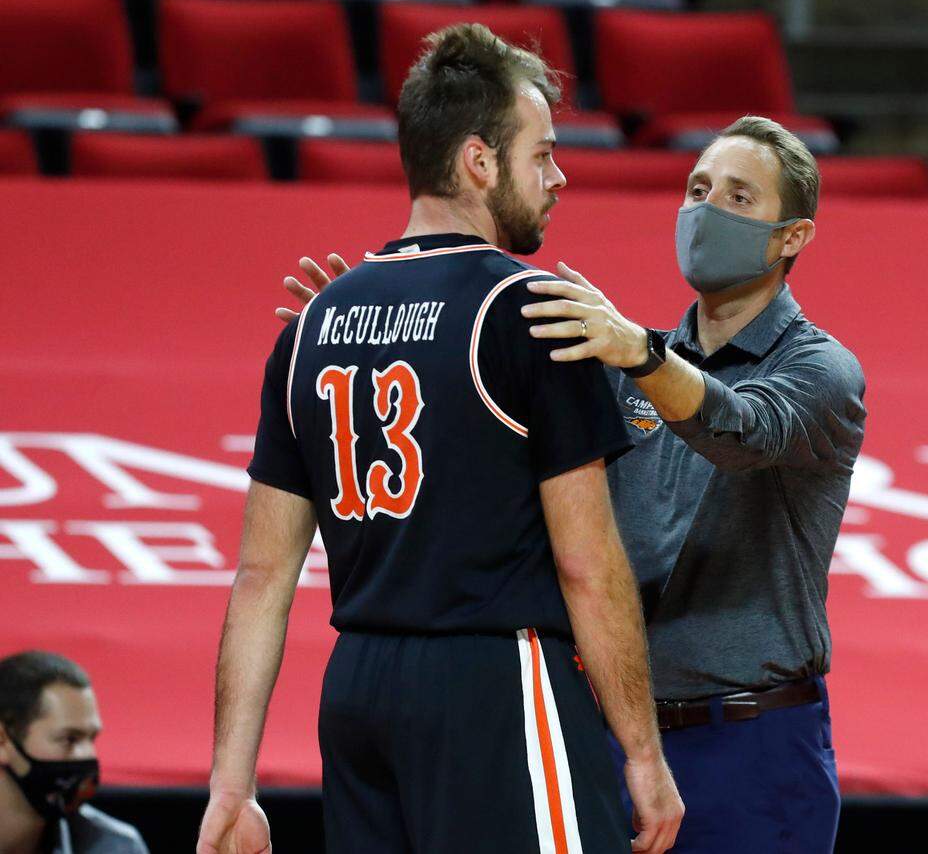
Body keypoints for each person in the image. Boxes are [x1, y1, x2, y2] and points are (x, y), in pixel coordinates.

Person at [285, 115, 865, 852]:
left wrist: (640, 357)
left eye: (740, 198)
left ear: (793, 236)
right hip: (613, 729)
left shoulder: (820, 370)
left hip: (751, 740)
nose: (707, 210)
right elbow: (481, 431)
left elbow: (742, 433)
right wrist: (381, 325)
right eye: (698, 189)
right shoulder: (626, 362)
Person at [197, 24, 682, 854]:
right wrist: (642, 752)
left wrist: (231, 787)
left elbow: (261, 574)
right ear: (478, 162)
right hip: (493, 680)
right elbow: (587, 563)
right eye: (542, 155)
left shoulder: (313, 323)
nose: (558, 177)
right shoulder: (531, 312)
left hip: (358, 693)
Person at [0, 651, 149, 854]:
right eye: (70, 739)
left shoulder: (116, 847)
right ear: (3, 741)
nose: (88, 755)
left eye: (92, 739)